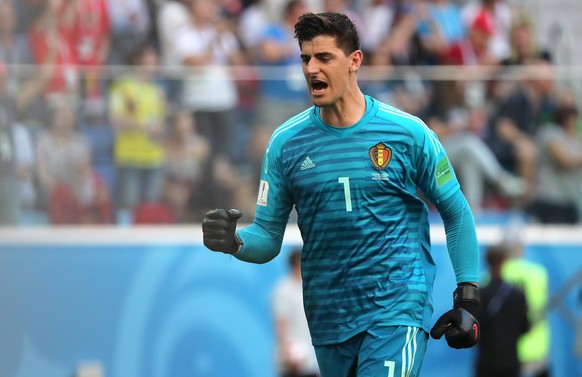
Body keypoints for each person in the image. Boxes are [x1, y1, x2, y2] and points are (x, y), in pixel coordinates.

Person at [202, 12, 480, 377]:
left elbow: (456, 212)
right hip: (330, 316)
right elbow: (268, 237)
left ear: (354, 61)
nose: (311, 69)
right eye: (305, 59)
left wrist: (468, 297)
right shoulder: (286, 144)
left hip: (396, 307)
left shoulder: (408, 134)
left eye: (324, 58)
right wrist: (234, 241)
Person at [475, 244, 530, 377]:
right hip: (510, 361)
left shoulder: (479, 294)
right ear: (504, 262)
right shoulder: (518, 294)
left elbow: (474, 329)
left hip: (485, 361)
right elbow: (526, 327)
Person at [272, 248, 320, 377]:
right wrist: (286, 352)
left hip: (312, 356)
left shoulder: (311, 288)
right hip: (293, 357)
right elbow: (281, 323)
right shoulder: (284, 289)